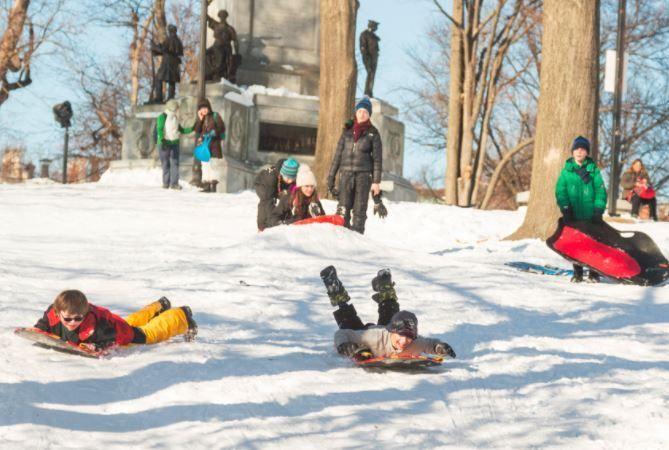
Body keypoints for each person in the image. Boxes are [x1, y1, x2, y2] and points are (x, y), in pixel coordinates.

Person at [320, 265, 456, 360]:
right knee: (348, 320)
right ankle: (335, 288)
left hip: (386, 329)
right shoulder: (372, 337)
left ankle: (385, 284)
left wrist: (440, 347)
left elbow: (429, 344)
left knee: (390, 312)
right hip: (368, 333)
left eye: (409, 337)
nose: (404, 341)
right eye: (401, 335)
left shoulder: (413, 343)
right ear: (392, 331)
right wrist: (343, 345)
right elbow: (341, 334)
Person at [33, 290, 197, 351]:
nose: (72, 322)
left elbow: (110, 340)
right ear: (58, 312)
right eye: (67, 318)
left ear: (85, 313)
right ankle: (159, 306)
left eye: (78, 318)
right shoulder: (53, 313)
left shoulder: (96, 327)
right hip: (113, 322)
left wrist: (97, 346)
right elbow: (44, 323)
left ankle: (180, 316)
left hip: (116, 332)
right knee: (130, 322)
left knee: (146, 334)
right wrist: (38, 330)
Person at [555, 136, 608, 283]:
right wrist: (566, 209)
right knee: (576, 244)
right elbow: (561, 192)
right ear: (572, 152)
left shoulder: (593, 171)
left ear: (587, 152)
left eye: (583, 149)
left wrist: (598, 210)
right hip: (573, 214)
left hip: (591, 214)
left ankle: (593, 273)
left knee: (593, 243)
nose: (579, 152)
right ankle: (577, 272)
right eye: (576, 149)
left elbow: (600, 191)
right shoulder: (566, 172)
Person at [327, 97, 382, 234]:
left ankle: (357, 239)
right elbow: (337, 155)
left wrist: (376, 182)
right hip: (346, 174)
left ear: (369, 114)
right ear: (356, 112)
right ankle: (341, 237)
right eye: (360, 111)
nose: (362, 114)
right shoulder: (346, 131)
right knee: (343, 209)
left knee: (359, 210)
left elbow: (377, 160)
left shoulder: (373, 133)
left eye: (365, 112)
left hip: (363, 176)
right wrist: (331, 176)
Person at [156, 99, 193, 189]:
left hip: (174, 143)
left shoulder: (175, 117)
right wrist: (162, 139)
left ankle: (174, 184)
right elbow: (159, 129)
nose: (177, 109)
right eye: (177, 108)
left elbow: (181, 130)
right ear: (173, 107)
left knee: (175, 163)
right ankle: (166, 183)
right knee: (166, 163)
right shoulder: (162, 116)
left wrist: (192, 128)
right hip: (164, 143)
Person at [254, 158, 300, 231]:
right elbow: (266, 204)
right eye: (288, 178)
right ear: (282, 173)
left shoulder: (289, 178)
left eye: (292, 178)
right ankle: (263, 226)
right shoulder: (271, 178)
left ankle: (283, 219)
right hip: (262, 184)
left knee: (285, 199)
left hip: (278, 183)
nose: (290, 180)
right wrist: (267, 225)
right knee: (268, 201)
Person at [193, 97, 226, 192]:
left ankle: (213, 186)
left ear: (209, 107)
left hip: (214, 145)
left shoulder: (215, 116)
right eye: (201, 108)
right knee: (205, 165)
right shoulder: (202, 118)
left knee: (213, 165)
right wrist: (200, 119)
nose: (204, 110)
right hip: (205, 146)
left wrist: (214, 132)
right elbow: (197, 130)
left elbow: (222, 127)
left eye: (205, 108)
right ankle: (206, 185)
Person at [206, 10, 240, 83]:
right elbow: (207, 18)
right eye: (221, 16)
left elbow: (235, 40)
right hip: (215, 46)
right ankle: (209, 74)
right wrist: (205, 7)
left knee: (220, 57)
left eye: (223, 16)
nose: (222, 17)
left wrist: (237, 53)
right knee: (206, 54)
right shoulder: (216, 25)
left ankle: (218, 74)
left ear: (226, 17)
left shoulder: (229, 28)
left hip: (225, 47)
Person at [152, 24, 184, 103]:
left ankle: (159, 97)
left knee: (158, 78)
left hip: (167, 63)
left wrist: (153, 46)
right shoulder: (178, 41)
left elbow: (163, 49)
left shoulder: (169, 39)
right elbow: (167, 50)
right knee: (171, 81)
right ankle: (170, 97)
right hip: (174, 64)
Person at [359, 20, 380, 97]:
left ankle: (369, 91)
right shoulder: (364, 34)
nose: (376, 28)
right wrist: (366, 57)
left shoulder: (373, 36)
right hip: (368, 57)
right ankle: (367, 92)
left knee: (372, 74)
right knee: (370, 72)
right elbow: (363, 47)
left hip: (374, 57)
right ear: (372, 26)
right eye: (375, 26)